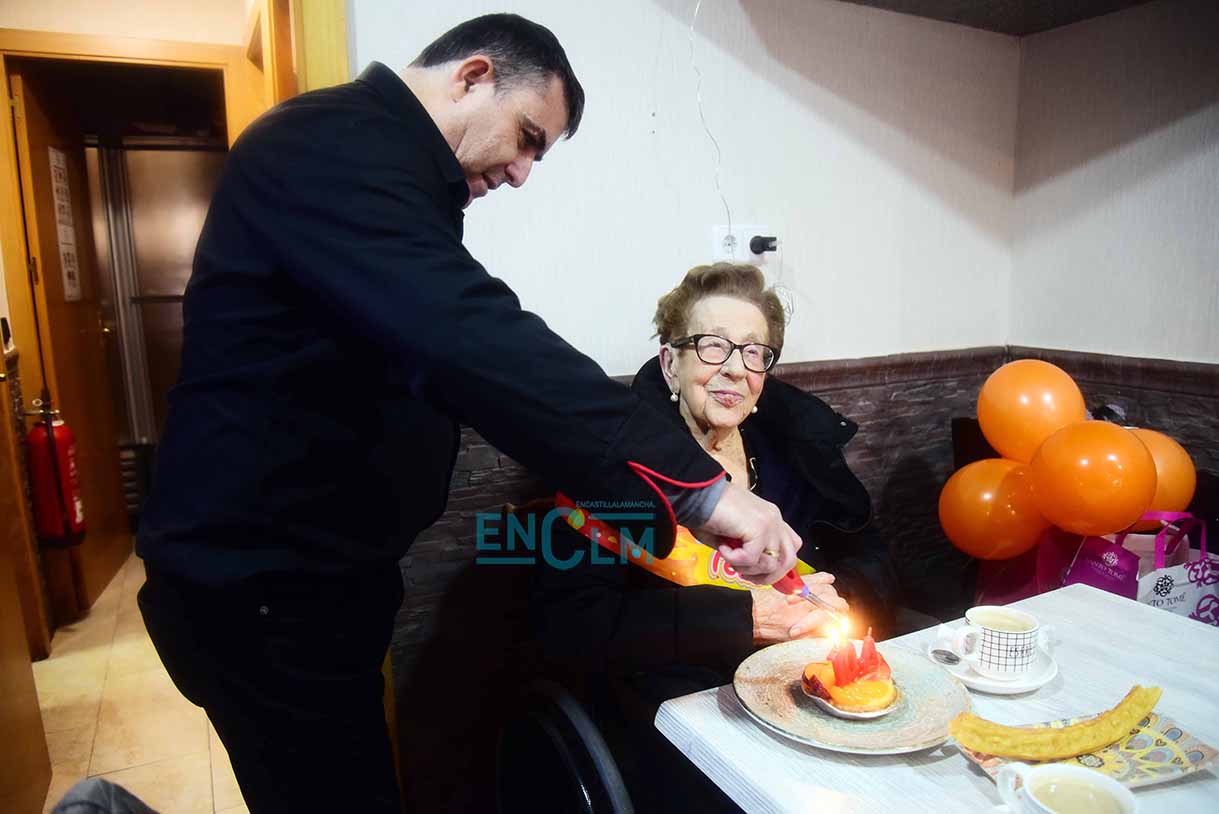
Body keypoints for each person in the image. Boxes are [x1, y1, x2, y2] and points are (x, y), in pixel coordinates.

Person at [134, 14, 802, 814]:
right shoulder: (324, 144)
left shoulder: (396, 174)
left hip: (322, 582)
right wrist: (700, 491)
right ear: (472, 75)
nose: (522, 173)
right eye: (526, 137)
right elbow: (477, 339)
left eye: (753, 354)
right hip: (266, 588)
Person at [532, 263, 900, 811]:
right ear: (669, 365)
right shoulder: (608, 472)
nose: (734, 370)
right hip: (686, 713)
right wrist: (746, 617)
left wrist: (836, 595)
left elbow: (876, 564)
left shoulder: (796, 453)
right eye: (711, 347)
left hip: (813, 690)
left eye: (754, 353)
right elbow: (567, 631)